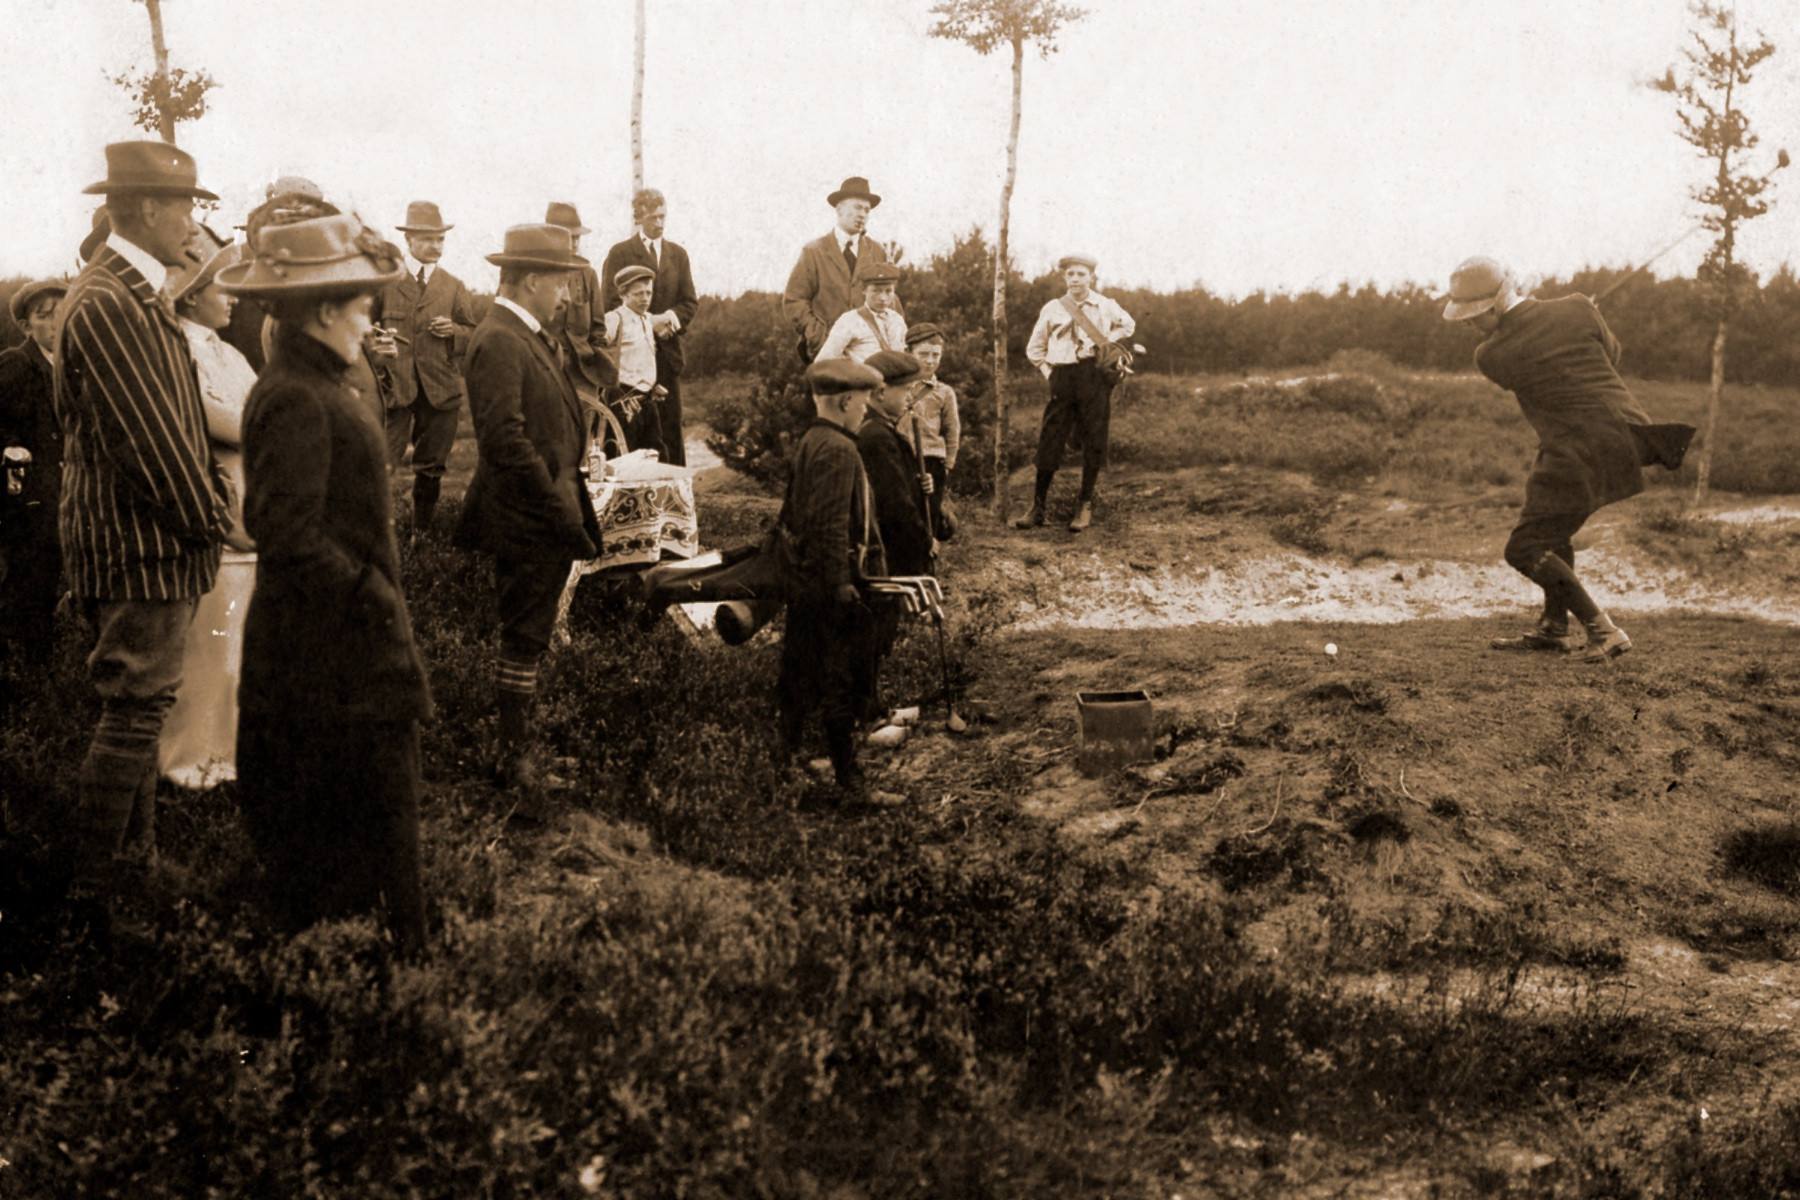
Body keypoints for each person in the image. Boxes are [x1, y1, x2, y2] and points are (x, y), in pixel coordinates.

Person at [218, 212, 429, 952]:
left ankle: (379, 992)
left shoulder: (314, 382)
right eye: (365, 306)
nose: (372, 322)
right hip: (327, 676)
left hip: (340, 668)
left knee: (366, 851)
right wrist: (371, 599)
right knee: (344, 859)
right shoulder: (296, 395)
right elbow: (287, 536)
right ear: (327, 308)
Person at [54, 141, 235, 875]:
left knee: (144, 707)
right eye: (187, 205)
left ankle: (139, 863)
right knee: (134, 713)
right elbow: (154, 447)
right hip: (139, 546)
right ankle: (93, 887)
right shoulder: (110, 302)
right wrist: (214, 520)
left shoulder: (128, 293)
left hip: (142, 542)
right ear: (148, 208)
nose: (195, 223)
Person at [1444, 256, 1694, 663]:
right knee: (1552, 531)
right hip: (1615, 437)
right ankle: (1553, 627)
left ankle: (1604, 632)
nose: (1469, 324)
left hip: (1579, 449)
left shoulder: (1491, 354)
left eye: (1477, 315)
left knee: (1523, 549)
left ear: (1501, 299)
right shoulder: (1577, 307)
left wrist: (1560, 321)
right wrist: (1581, 314)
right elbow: (1610, 355)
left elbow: (1535, 346)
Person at [452, 224, 599, 819]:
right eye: (561, 281)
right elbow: (505, 441)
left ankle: (523, 751)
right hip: (525, 516)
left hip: (540, 510)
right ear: (533, 279)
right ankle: (516, 764)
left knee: (532, 633)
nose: (565, 295)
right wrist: (553, 503)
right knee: (523, 634)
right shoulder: (499, 339)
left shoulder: (523, 334)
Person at [158, 230, 257, 789]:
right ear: (192, 294)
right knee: (207, 653)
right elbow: (235, 422)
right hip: (218, 517)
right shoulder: (180, 351)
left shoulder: (231, 353)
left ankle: (227, 761)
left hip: (248, 513)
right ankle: (188, 769)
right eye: (223, 286)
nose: (234, 297)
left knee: (235, 651)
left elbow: (260, 413)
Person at [775, 358, 895, 806]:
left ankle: (785, 768)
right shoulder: (840, 449)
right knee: (842, 683)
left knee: (798, 678)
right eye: (863, 402)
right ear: (845, 401)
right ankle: (850, 785)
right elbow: (828, 524)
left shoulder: (813, 438)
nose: (865, 411)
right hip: (832, 588)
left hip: (808, 583)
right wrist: (843, 585)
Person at [375, 200, 479, 533]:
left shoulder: (453, 285)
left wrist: (455, 332)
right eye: (427, 239)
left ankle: (422, 532)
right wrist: (379, 349)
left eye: (440, 240)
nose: (435, 246)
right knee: (381, 463)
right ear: (409, 241)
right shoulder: (386, 280)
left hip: (440, 387)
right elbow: (363, 327)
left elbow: (473, 332)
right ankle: (378, 531)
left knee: (432, 466)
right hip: (394, 385)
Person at [1018, 253, 1135, 534]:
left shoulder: (1105, 305)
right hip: (1063, 377)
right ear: (1064, 278)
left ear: (1091, 278)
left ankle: (1084, 504)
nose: (1075, 279)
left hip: (1094, 377)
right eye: (1070, 275)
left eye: (1081, 274)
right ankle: (1038, 506)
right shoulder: (1053, 309)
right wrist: (1051, 375)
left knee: (1095, 437)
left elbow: (1129, 324)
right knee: (1051, 437)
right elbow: (1034, 350)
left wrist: (1106, 342)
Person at [600, 189, 698, 465]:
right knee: (631, 435)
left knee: (669, 432)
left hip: (667, 359)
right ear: (639, 216)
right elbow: (607, 304)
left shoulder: (678, 254)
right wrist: (646, 323)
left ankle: (672, 500)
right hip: (630, 366)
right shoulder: (620, 253)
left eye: (663, 216)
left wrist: (670, 320)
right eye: (654, 217)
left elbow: (689, 302)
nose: (660, 223)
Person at [0, 279, 69, 666]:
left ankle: (38, 666)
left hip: (63, 490)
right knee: (31, 580)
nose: (57, 322)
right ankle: (27, 673)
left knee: (51, 578)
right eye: (45, 316)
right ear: (27, 327)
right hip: (30, 494)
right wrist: (12, 446)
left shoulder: (70, 364)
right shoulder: (18, 362)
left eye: (63, 312)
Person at [783, 176, 896, 362]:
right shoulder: (814, 251)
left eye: (867, 210)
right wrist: (817, 335)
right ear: (839, 209)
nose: (862, 214)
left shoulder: (877, 252)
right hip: (826, 353)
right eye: (857, 207)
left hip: (869, 355)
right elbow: (795, 300)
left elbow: (890, 302)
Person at [541, 201, 619, 433]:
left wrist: (598, 367)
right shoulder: (535, 272)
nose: (575, 243)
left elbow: (598, 331)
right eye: (569, 237)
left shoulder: (588, 275)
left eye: (578, 237)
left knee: (582, 443)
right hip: (546, 373)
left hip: (583, 376)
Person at [859, 350, 936, 578]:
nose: (910, 397)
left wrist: (917, 482)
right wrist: (925, 541)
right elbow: (894, 504)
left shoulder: (882, 430)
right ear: (881, 392)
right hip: (891, 556)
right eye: (906, 390)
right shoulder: (876, 436)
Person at [900, 322, 961, 540]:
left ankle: (930, 549)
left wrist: (948, 462)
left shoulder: (944, 392)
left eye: (936, 355)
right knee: (906, 507)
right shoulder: (898, 389)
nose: (930, 360)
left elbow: (951, 429)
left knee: (930, 509)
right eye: (923, 354)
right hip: (903, 456)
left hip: (932, 458)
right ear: (908, 353)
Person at [600, 263, 666, 459]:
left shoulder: (647, 319)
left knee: (654, 453)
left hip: (647, 400)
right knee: (624, 456)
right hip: (622, 401)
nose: (645, 299)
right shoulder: (615, 319)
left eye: (648, 293)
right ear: (623, 294)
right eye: (638, 294)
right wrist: (612, 385)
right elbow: (596, 350)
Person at [816, 260, 907, 364]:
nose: (883, 297)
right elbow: (822, 361)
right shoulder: (849, 320)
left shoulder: (897, 319)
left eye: (888, 291)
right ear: (864, 290)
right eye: (876, 291)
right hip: (865, 378)